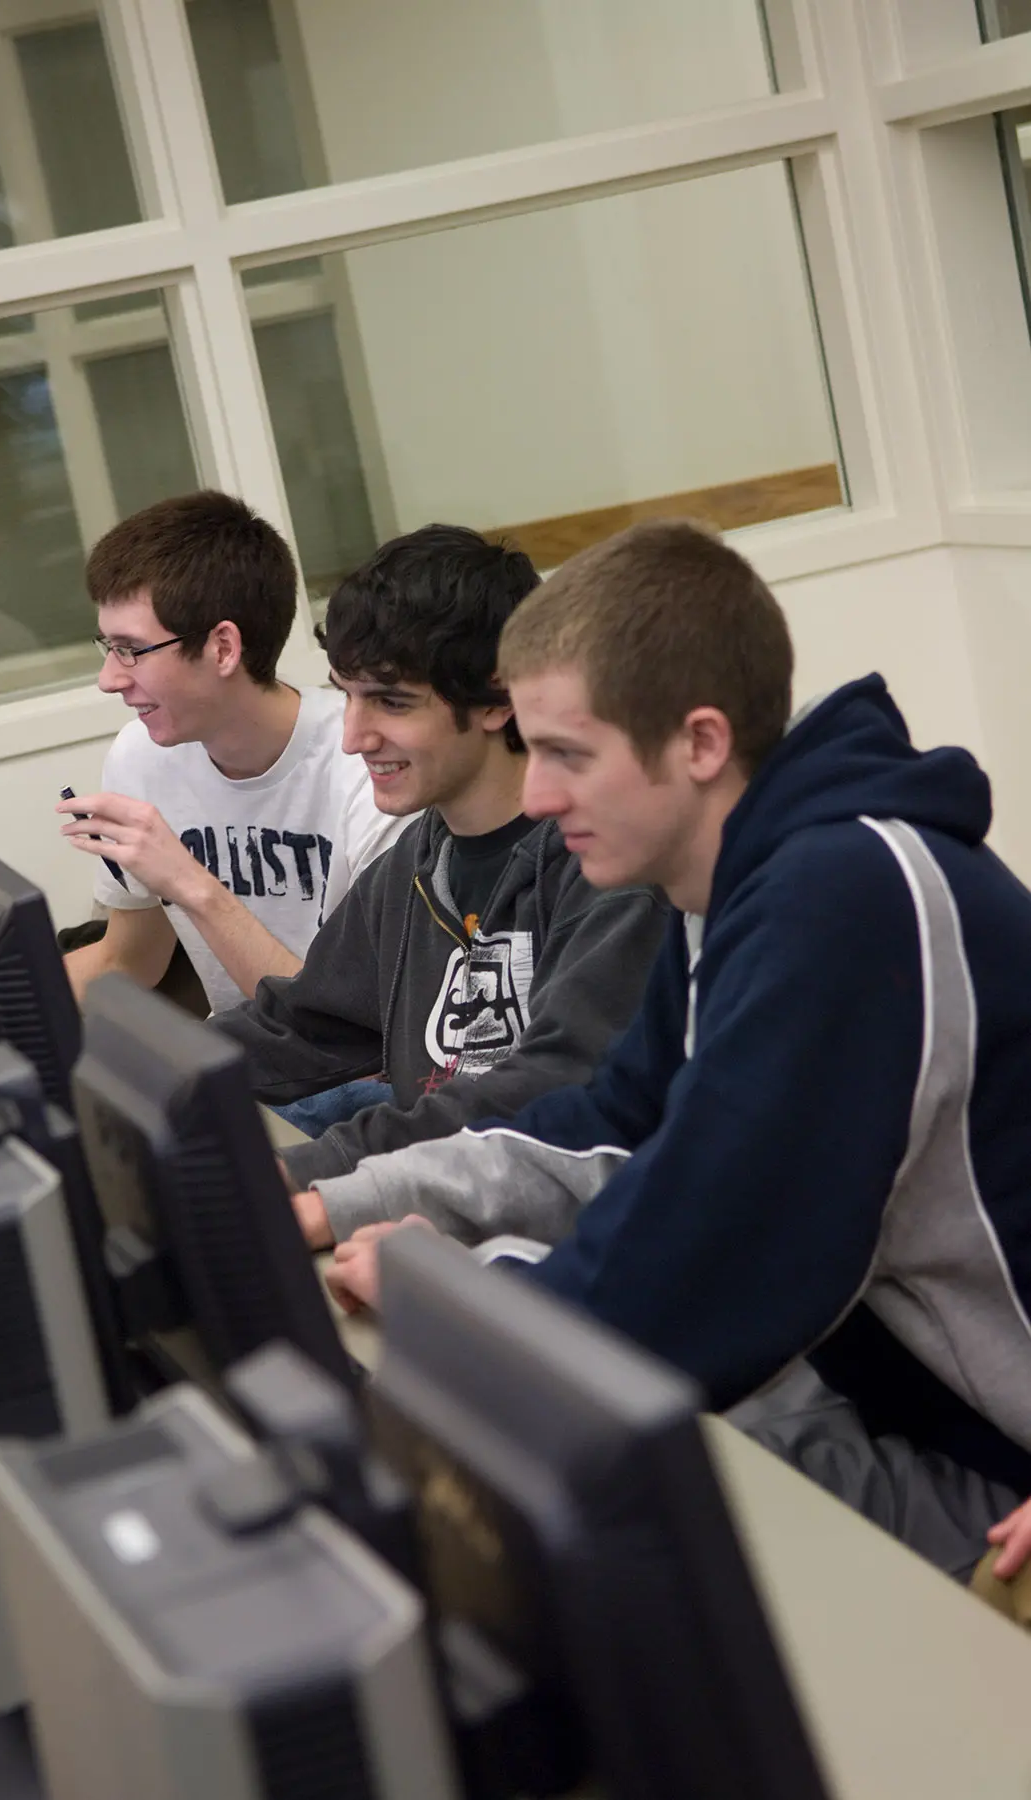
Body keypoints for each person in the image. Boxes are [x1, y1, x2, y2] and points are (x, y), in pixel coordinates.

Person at [324, 518, 1031, 1581]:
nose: (535, 795)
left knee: (627, 1488)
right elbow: (617, 1130)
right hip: (916, 1403)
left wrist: (458, 1301)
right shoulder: (730, 891)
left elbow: (710, 1254)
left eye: (566, 755)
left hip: (992, 1462)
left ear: (697, 743)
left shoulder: (842, 899)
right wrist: (339, 1201)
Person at [214, 523, 667, 1209]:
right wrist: (140, 1070)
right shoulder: (417, 863)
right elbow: (297, 1028)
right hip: (436, 1221)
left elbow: (545, 1099)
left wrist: (316, 1169)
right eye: (348, 694)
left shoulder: (610, 867)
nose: (352, 736)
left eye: (391, 701)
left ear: (499, 698)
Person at [59, 492, 403, 1014]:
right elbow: (129, 960)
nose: (109, 680)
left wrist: (189, 883)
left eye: (130, 650)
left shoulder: (368, 767)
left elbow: (350, 1027)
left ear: (223, 648)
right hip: (243, 1070)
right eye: (108, 648)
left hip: (346, 1081)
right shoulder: (139, 755)